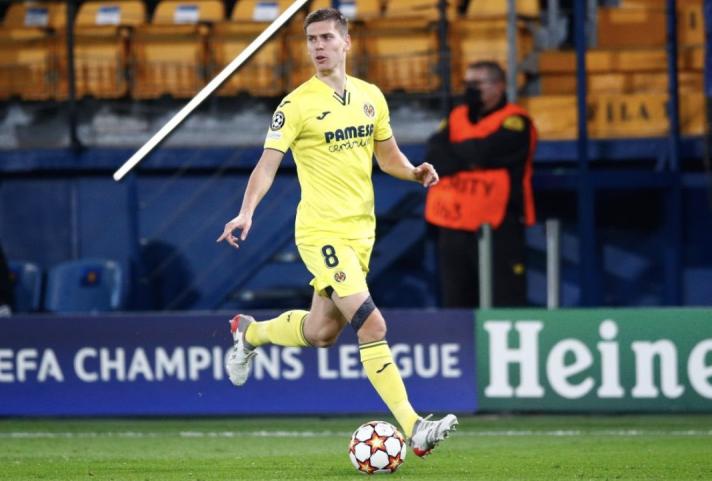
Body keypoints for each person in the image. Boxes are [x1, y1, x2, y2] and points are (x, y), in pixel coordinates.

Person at [217, 8, 457, 457]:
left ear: (346, 42)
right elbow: (266, 165)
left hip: (361, 233)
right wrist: (246, 212)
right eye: (311, 39)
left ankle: (249, 333)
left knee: (322, 332)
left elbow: (387, 156)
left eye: (326, 37)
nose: (318, 46)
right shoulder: (295, 105)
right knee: (373, 324)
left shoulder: (371, 96)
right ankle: (414, 427)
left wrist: (413, 172)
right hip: (321, 233)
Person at [424, 61, 537, 308]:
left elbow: (486, 152)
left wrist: (460, 155)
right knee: (456, 300)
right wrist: (471, 158)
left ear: (499, 86)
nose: (470, 90)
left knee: (504, 298)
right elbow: (435, 156)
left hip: (498, 225)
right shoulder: (456, 117)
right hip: (453, 225)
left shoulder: (515, 121)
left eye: (477, 84)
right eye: (467, 84)